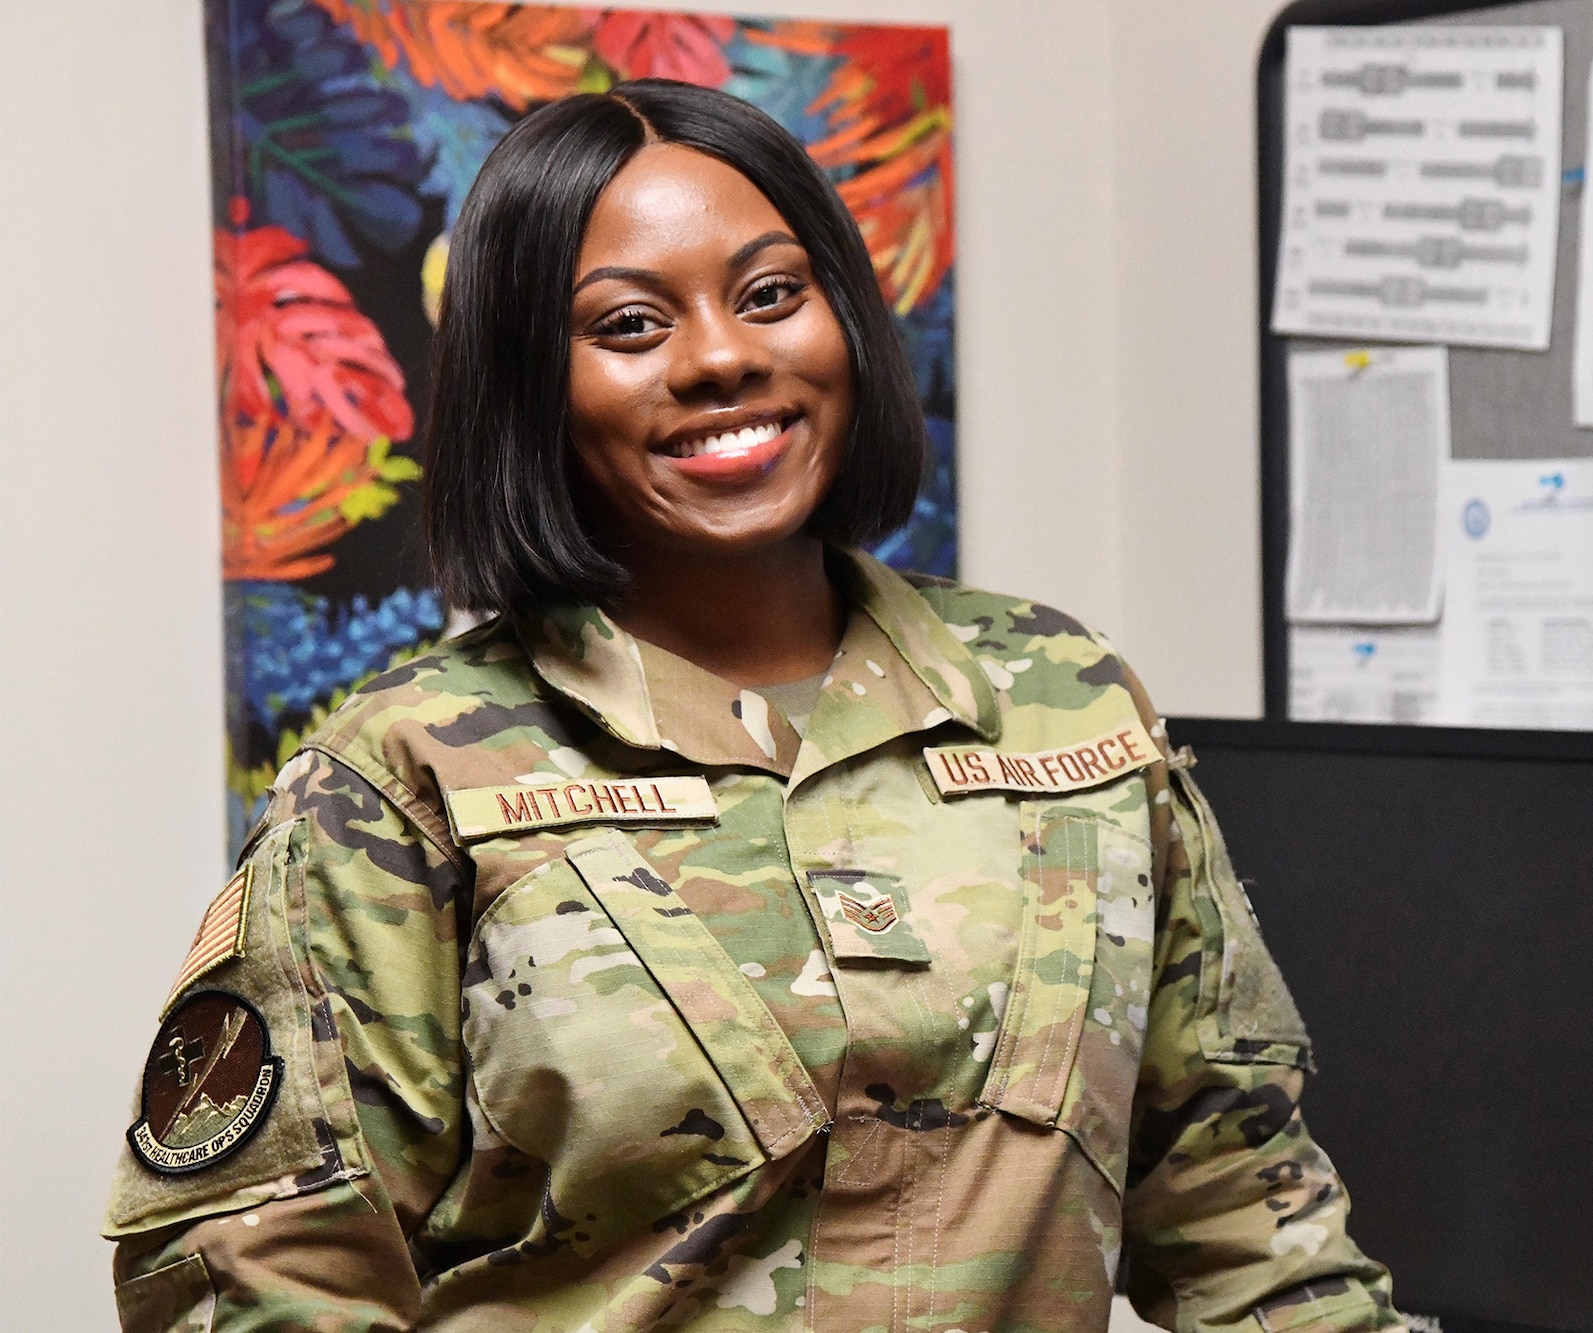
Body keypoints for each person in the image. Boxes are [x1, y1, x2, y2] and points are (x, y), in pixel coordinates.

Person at [105, 81, 1404, 1333]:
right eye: (628, 325)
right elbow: (256, 1277)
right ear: (525, 388)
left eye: (772, 295)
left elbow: (1248, 1215)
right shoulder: (406, 773)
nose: (723, 356)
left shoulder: (1065, 706)